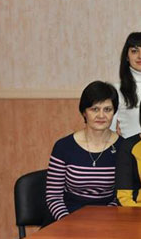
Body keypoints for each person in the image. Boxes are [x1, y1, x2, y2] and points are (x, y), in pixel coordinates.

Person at [46, 81, 122, 221]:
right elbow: (53, 196)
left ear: (114, 112)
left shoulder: (124, 147)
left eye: (107, 109)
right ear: (84, 112)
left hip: (108, 219)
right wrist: (68, 222)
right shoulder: (63, 147)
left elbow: (121, 196)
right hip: (67, 218)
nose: (101, 115)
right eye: (95, 109)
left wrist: (105, 219)